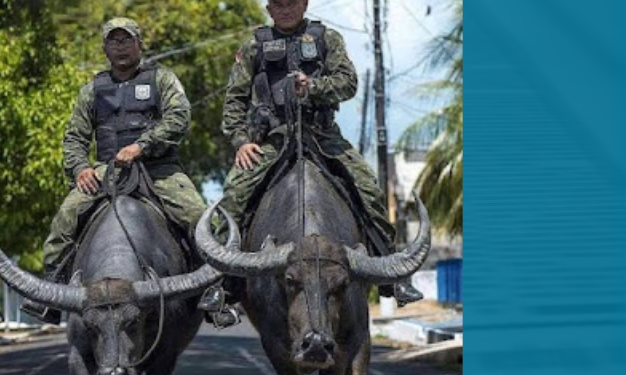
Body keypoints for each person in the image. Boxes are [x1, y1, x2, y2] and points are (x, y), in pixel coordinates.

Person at [201, 0, 423, 309]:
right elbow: (234, 100)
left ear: (304, 5)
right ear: (269, 9)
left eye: (292, 3)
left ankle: (394, 276)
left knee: (369, 189)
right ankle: (221, 283)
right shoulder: (254, 44)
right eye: (278, 4)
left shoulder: (326, 38)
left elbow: (348, 83)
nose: (286, 9)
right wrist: (241, 141)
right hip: (272, 138)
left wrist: (313, 87)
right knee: (233, 197)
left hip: (323, 134)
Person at [25, 18, 210, 323]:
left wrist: (142, 146)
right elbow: (74, 138)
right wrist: (80, 168)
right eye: (114, 41)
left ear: (139, 44)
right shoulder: (91, 90)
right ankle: (51, 292)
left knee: (197, 216)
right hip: (106, 171)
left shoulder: (162, 79)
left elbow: (179, 118)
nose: (121, 47)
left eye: (127, 40)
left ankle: (214, 289)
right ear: (105, 47)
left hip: (159, 169)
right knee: (65, 218)